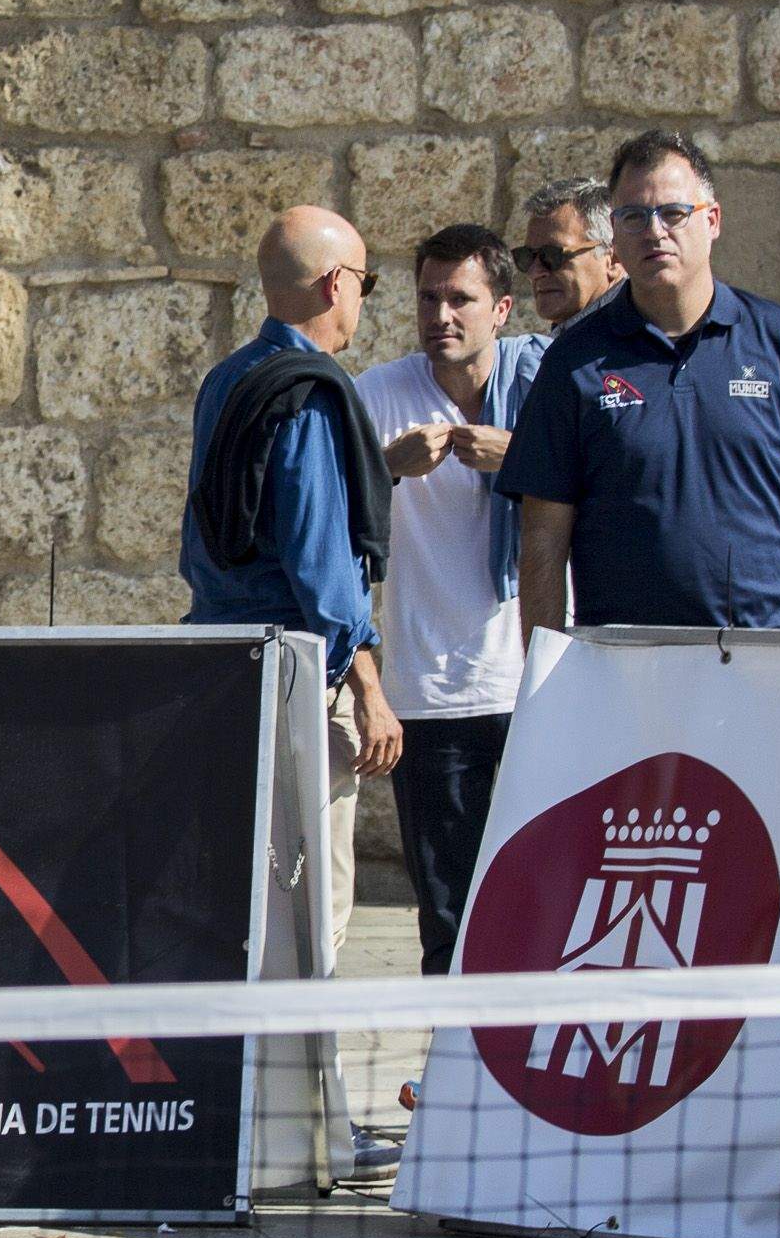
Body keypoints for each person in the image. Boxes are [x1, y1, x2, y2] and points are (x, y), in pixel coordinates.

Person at [504, 130, 780, 638]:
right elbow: (543, 537)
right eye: (633, 217)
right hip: (627, 670)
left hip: (766, 656)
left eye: (673, 213)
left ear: (711, 220)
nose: (654, 232)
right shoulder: (571, 363)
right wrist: (548, 685)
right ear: (616, 232)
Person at [182, 205, 406, 955]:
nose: (363, 301)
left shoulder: (227, 379)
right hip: (297, 672)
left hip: (220, 658)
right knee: (316, 907)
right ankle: (307, 1072)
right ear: (336, 283)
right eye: (365, 283)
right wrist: (367, 688)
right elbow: (324, 567)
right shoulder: (307, 393)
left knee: (239, 892)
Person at [353, 227, 544, 976]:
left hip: (536, 690)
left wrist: (520, 459)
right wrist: (386, 469)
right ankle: (446, 1084)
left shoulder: (546, 391)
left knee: (543, 902)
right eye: (428, 298)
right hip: (430, 700)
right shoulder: (378, 396)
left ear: (500, 309)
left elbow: (612, 494)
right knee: (450, 919)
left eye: (460, 299)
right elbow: (324, 520)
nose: (441, 315)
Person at [515, 177, 617, 329]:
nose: (534, 272)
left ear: (614, 258)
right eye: (526, 257)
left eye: (551, 255)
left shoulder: (640, 343)